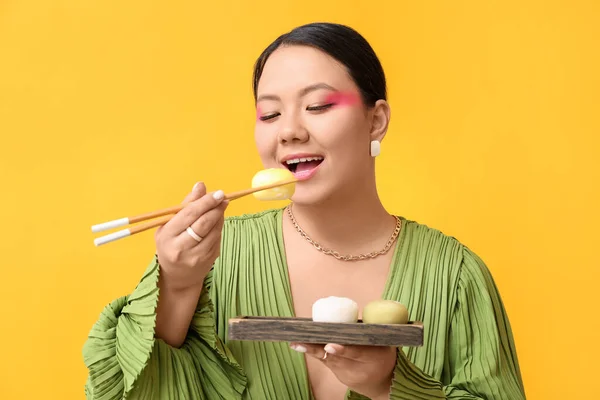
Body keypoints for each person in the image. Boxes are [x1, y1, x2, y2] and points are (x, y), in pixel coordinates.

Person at [82, 22, 526, 400]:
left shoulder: (456, 276)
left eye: (318, 106)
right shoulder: (212, 258)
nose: (290, 131)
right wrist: (178, 285)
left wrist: (390, 386)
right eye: (270, 114)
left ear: (376, 120)